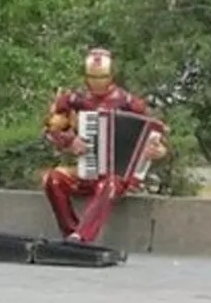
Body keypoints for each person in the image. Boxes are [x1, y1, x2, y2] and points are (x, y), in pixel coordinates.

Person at [41, 47, 168, 244]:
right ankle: (71, 233)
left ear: (111, 76)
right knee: (53, 179)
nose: (96, 83)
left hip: (118, 176)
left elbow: (155, 132)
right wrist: (70, 141)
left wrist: (158, 150)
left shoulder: (129, 102)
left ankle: (81, 237)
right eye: (92, 77)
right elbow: (51, 128)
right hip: (86, 171)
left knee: (109, 183)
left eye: (102, 77)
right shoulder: (74, 99)